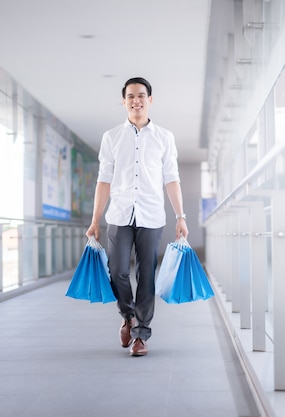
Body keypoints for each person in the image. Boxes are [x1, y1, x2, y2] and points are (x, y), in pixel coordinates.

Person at [86, 77, 189, 357]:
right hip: (119, 213)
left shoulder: (164, 137)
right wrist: (95, 220)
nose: (136, 100)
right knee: (117, 270)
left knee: (147, 275)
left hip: (152, 215)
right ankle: (127, 316)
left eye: (141, 95)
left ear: (150, 100)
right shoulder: (112, 137)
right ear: (124, 101)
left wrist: (180, 216)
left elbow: (172, 179)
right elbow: (103, 180)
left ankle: (141, 333)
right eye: (130, 96)